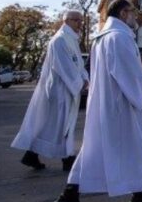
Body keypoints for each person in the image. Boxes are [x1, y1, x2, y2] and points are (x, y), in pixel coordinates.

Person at [53, 0, 142, 202]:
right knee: (102, 150)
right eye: (133, 13)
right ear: (123, 14)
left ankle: (140, 192)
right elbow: (127, 72)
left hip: (109, 103)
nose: (136, 18)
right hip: (121, 104)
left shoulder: (103, 37)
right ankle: (69, 194)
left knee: (115, 149)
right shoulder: (118, 38)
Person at [12, 11, 89, 172]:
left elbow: (78, 63)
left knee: (55, 125)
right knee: (62, 125)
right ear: (66, 20)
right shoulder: (59, 40)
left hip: (67, 89)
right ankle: (67, 158)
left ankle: (32, 154)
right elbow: (63, 66)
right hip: (60, 89)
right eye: (76, 20)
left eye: (81, 21)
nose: (80, 24)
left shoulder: (71, 39)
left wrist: (84, 78)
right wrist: (79, 82)